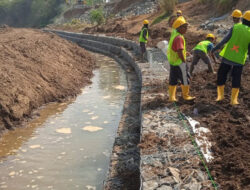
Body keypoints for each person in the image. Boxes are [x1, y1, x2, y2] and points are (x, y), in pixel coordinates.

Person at [212, 10, 250, 105]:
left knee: (222, 75)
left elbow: (224, 40)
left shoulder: (235, 27)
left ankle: (220, 96)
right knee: (236, 79)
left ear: (243, 18)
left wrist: (214, 49)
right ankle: (234, 100)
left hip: (227, 57)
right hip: (239, 60)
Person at [167, 17, 195, 102]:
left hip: (173, 62)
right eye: (185, 27)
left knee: (173, 79)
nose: (186, 29)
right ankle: (185, 96)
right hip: (180, 63)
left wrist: (184, 53)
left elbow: (175, 49)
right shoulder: (179, 37)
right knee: (185, 79)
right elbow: (179, 51)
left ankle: (172, 97)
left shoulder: (174, 34)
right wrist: (184, 61)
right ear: (179, 28)